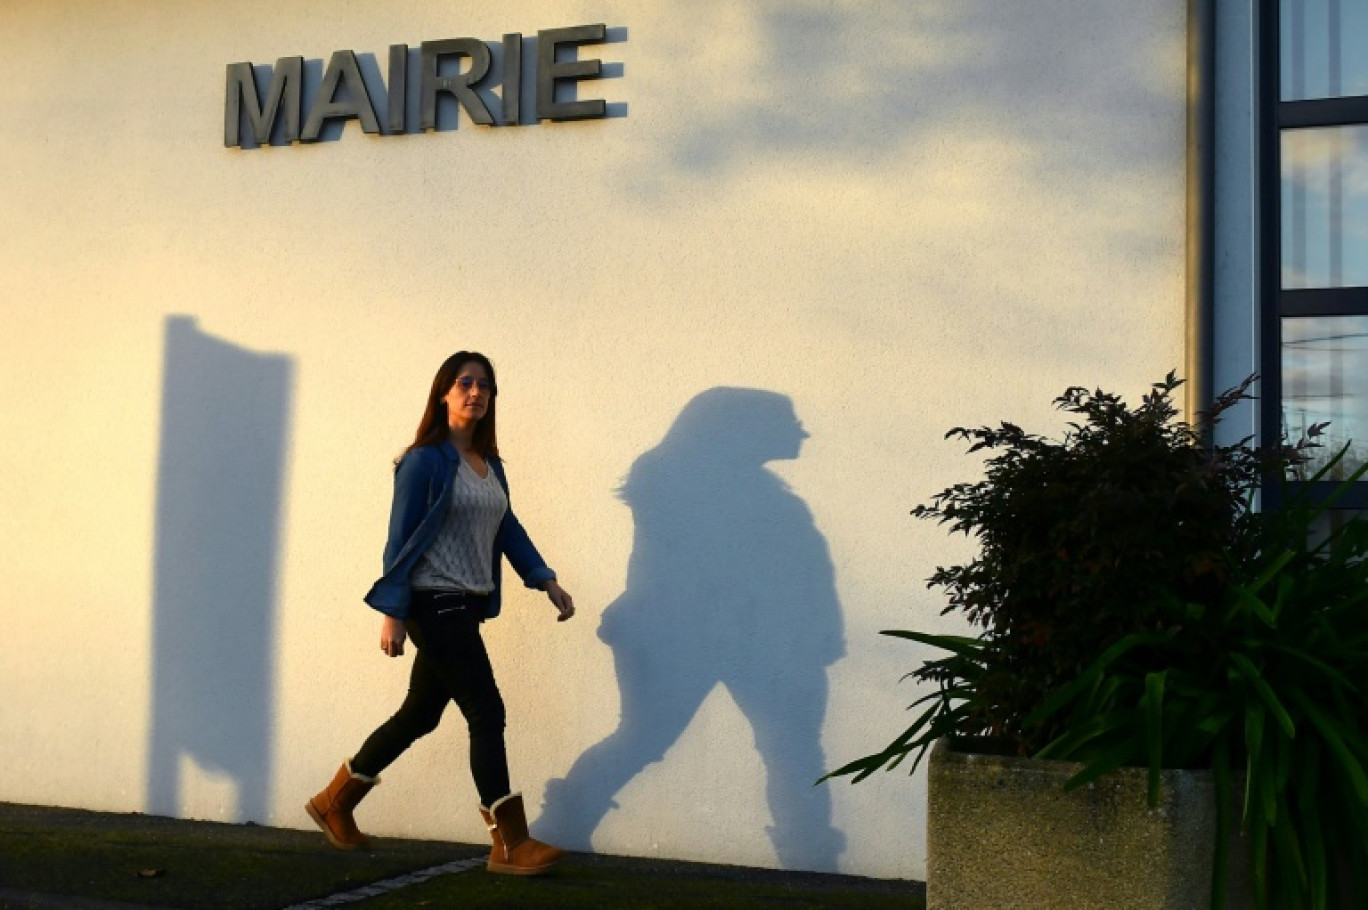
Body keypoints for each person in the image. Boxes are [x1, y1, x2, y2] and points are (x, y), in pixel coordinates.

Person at [306, 351, 574, 876]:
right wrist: (394, 612)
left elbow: (506, 529)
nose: (476, 392)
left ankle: (335, 801)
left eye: (485, 386)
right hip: (433, 602)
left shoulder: (489, 464)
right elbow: (399, 539)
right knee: (486, 711)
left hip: (466, 606)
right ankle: (509, 843)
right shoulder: (424, 460)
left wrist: (545, 579)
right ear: (444, 393)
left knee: (420, 715)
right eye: (464, 383)